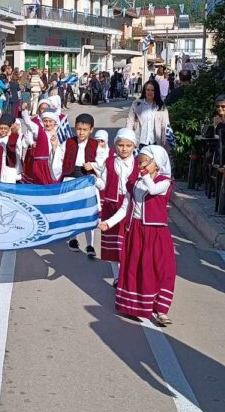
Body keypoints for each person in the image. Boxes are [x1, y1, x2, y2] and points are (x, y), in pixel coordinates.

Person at [100, 145, 175, 325]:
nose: (141, 165)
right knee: (136, 269)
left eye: (145, 162)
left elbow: (154, 190)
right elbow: (125, 208)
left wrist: (144, 175)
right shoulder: (134, 183)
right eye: (139, 162)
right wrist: (108, 222)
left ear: (157, 163)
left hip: (157, 232)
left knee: (162, 269)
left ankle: (161, 309)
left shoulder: (164, 182)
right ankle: (133, 306)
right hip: (136, 230)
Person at [94, 128, 139, 266]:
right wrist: (93, 180)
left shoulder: (138, 164)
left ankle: (126, 274)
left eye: (128, 145)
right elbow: (103, 184)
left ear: (134, 146)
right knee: (113, 247)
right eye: (121, 145)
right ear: (115, 145)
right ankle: (117, 276)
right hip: (112, 206)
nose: (124, 149)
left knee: (128, 245)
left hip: (131, 207)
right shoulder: (109, 162)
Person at [57, 114, 99, 254]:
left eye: (85, 130)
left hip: (87, 180)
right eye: (79, 129)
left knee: (88, 212)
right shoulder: (68, 143)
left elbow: (103, 162)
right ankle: (73, 239)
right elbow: (58, 159)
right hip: (70, 178)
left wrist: (93, 166)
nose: (81, 132)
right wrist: (54, 147)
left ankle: (90, 244)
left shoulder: (96, 145)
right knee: (72, 211)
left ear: (91, 129)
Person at [128, 79, 170, 149]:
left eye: (152, 90)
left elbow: (165, 125)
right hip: (139, 143)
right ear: (144, 91)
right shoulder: (136, 104)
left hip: (155, 143)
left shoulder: (161, 106)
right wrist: (128, 138)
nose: (150, 92)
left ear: (156, 91)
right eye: (148, 90)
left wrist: (165, 141)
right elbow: (130, 122)